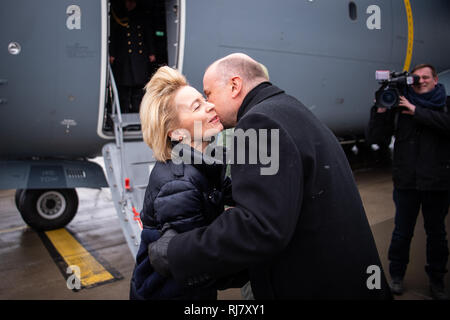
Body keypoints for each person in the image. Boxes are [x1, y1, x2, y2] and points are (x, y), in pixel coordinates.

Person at [148, 53, 392, 299]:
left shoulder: (258, 122)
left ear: (234, 86)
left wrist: (177, 253)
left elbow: (260, 225)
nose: (209, 104)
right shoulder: (288, 109)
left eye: (208, 94)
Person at [129, 66, 234, 299]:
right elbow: (196, 261)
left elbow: (230, 192)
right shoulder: (178, 184)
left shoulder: (203, 164)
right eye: (197, 106)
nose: (210, 106)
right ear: (175, 133)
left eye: (203, 99)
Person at [367, 64, 450, 300]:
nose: (421, 81)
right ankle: (396, 276)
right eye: (416, 78)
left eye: (426, 77)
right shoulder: (399, 105)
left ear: (435, 80)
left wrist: (416, 111)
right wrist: (381, 110)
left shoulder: (445, 104)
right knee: (402, 233)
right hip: (407, 183)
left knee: (437, 235)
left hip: (437, 183)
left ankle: (437, 281)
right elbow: (375, 137)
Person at [109, 0, 156, 113]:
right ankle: (123, 113)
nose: (130, 4)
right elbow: (113, 36)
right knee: (124, 91)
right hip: (123, 59)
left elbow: (148, 34)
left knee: (138, 91)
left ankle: (138, 114)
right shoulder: (118, 15)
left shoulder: (142, 16)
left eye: (132, 2)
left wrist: (152, 52)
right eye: (128, 2)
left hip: (139, 59)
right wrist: (112, 53)